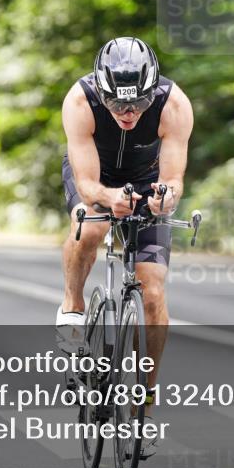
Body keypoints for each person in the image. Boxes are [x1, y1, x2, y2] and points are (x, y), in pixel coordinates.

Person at [57, 36, 193, 417]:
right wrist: (107, 196)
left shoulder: (175, 105)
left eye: (139, 103)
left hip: (148, 177)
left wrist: (166, 196)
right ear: (102, 92)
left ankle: (145, 400)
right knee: (92, 228)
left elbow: (174, 178)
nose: (129, 112)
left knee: (152, 292)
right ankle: (72, 306)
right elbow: (85, 185)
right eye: (117, 103)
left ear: (154, 91)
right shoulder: (80, 100)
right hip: (96, 172)